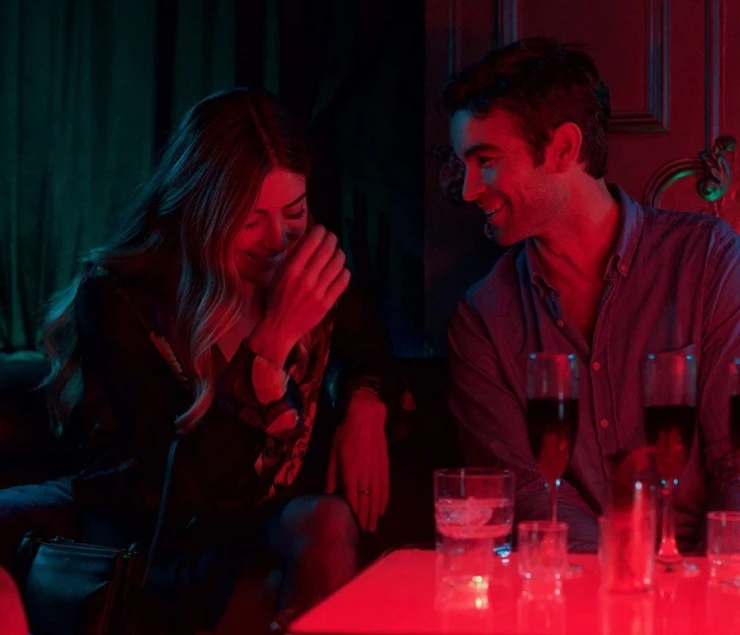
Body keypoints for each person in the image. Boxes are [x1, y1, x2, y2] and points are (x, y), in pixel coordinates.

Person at [0, 87, 398, 633]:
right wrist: (270, 344)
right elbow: (181, 492)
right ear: (202, 210)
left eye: (294, 212)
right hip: (161, 539)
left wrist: (366, 403)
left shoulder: (303, 264)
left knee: (327, 521)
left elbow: (368, 345)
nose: (278, 240)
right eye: (251, 219)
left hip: (264, 527)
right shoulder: (121, 297)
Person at [443, 38, 740, 553]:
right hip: (576, 587)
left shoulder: (709, 261)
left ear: (563, 148)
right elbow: (531, 499)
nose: (468, 191)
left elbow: (736, 464)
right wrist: (618, 586)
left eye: (485, 160)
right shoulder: (482, 321)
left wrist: (699, 585)